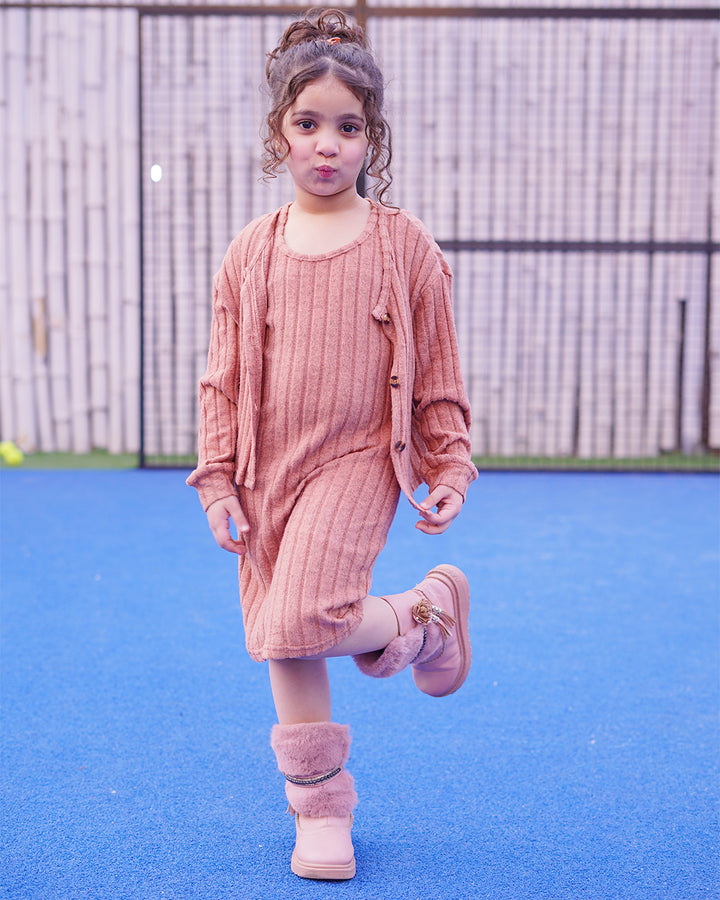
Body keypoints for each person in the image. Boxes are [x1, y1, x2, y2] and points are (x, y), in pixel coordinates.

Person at [187, 7, 478, 881]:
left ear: (370, 138)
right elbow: (223, 378)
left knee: (300, 617)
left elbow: (437, 370)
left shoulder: (404, 247)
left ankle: (423, 619)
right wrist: (218, 481)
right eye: (307, 123)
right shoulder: (251, 254)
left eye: (347, 127)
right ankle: (321, 811)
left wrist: (448, 458)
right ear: (280, 132)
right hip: (268, 472)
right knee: (286, 638)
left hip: (359, 461)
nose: (327, 144)